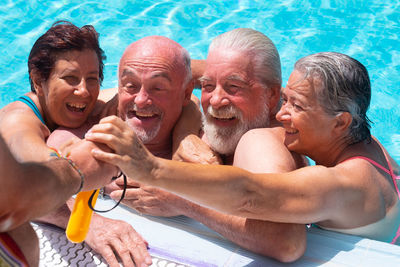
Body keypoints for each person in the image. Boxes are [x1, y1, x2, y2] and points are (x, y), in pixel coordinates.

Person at [89, 52, 400, 245]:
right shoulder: (369, 145)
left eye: (297, 106)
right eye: (286, 99)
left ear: (340, 123)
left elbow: (250, 196)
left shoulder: (347, 183)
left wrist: (153, 171)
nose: (281, 113)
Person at [88, 29, 308, 262]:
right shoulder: (210, 120)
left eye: (233, 87)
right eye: (208, 86)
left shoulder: (262, 141)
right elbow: (167, 71)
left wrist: (181, 199)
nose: (214, 100)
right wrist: (184, 131)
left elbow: (286, 242)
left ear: (273, 95)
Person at [0, 21, 151, 267]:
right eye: (70, 78)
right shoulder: (18, 122)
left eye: (92, 79)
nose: (84, 91)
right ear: (38, 80)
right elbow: (34, 183)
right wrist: (91, 223)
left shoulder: (91, 102)